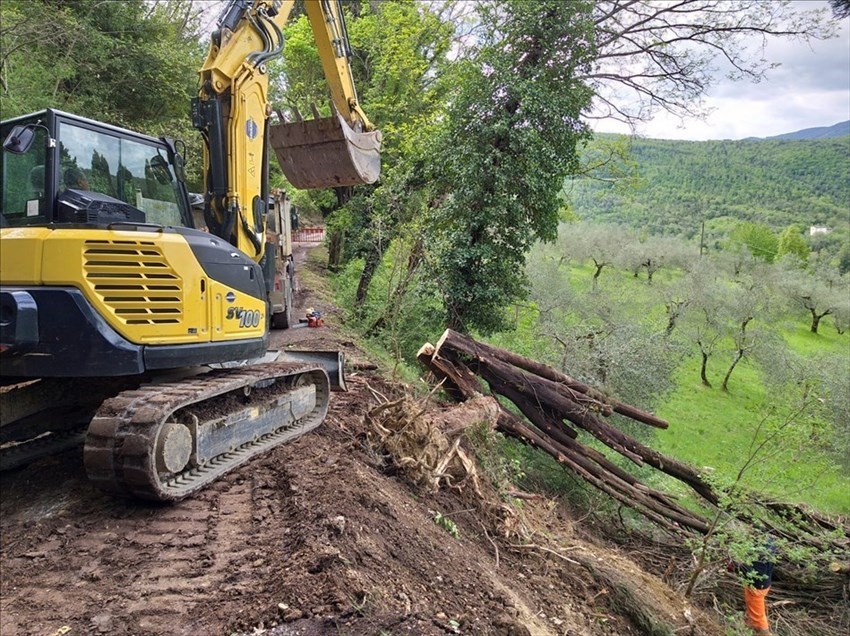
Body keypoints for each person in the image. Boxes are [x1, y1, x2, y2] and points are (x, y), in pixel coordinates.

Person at [730, 538, 777, 635]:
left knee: (758, 617)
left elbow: (756, 575)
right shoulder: (769, 542)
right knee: (752, 607)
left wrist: (738, 565)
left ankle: (764, 633)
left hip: (757, 587)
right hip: (762, 584)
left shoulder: (762, 553)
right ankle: (751, 625)